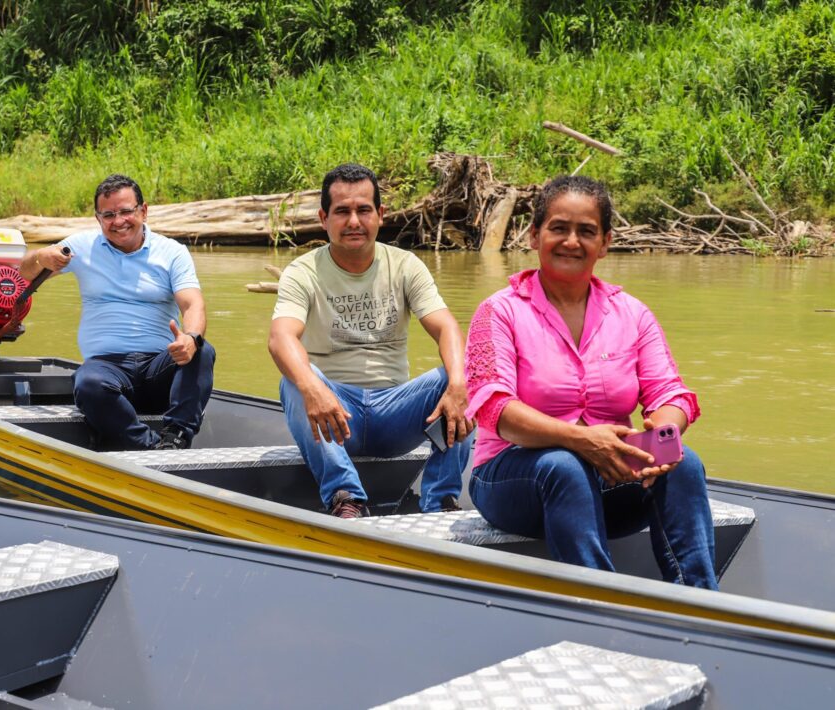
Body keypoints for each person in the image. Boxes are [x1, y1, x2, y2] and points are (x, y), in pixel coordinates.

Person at [464, 175, 717, 588]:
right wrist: (579, 439)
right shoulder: (500, 312)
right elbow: (495, 410)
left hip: (610, 474)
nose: (571, 242)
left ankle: (703, 606)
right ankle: (600, 609)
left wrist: (664, 437)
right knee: (564, 466)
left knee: (684, 463)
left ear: (605, 242)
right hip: (512, 479)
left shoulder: (632, 314)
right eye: (558, 228)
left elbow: (671, 394)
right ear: (533, 235)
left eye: (586, 231)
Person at [268, 163, 475, 518]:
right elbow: (280, 337)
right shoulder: (303, 272)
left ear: (380, 214)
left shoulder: (405, 265)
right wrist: (311, 387)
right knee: (295, 378)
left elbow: (445, 327)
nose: (353, 221)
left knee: (459, 377)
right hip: (332, 413)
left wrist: (457, 383)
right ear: (323, 218)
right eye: (342, 211)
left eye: (363, 210)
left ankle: (439, 501)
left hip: (396, 412)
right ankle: (346, 497)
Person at [21, 174, 215, 451]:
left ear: (143, 211)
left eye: (126, 211)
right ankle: (149, 447)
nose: (118, 221)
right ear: (98, 218)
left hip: (159, 369)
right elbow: (23, 275)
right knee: (87, 383)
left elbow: (193, 304)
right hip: (107, 371)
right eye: (108, 214)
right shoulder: (80, 246)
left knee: (202, 350)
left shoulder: (172, 252)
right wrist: (41, 257)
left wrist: (191, 337)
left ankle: (177, 437)